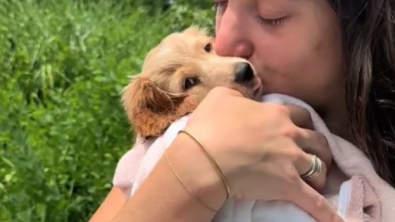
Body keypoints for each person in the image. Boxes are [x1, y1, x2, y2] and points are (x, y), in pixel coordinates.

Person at [89, 0, 395, 222]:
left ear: (364, 23)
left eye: (271, 15)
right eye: (220, 3)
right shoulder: (176, 142)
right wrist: (192, 170)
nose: (222, 41)